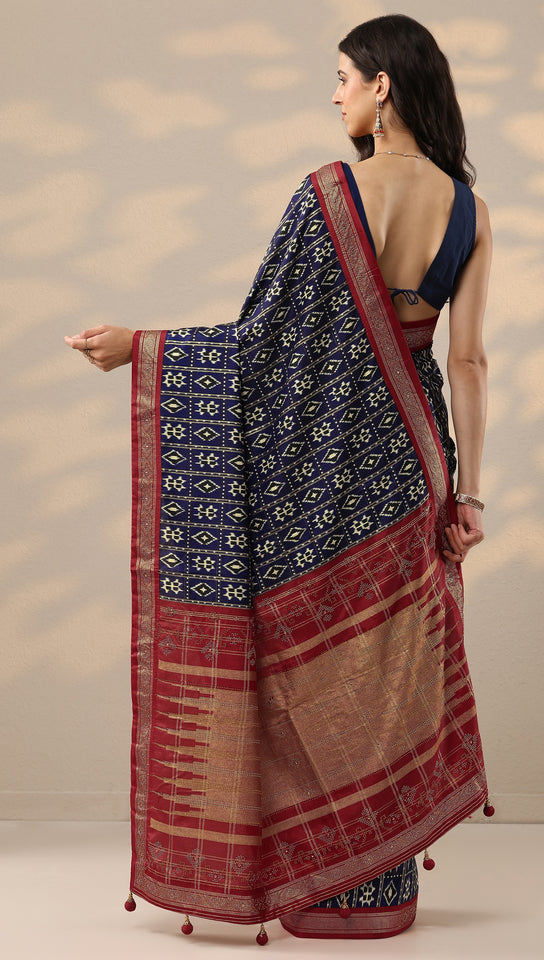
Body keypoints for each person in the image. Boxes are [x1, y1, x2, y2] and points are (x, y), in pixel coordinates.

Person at [65, 14, 492, 944]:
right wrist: (467, 495)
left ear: (383, 85)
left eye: (343, 78)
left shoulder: (328, 193)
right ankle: (380, 888)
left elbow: (261, 347)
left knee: (311, 655)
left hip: (322, 463)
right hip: (414, 457)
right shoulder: (468, 208)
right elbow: (467, 363)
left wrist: (141, 348)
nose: (335, 96)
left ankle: (316, 876)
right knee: (383, 661)